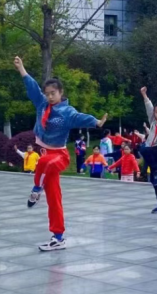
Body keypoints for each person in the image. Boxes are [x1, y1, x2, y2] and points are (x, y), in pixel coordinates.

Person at [15, 56, 107, 251]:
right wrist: (22, 69)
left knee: (45, 162)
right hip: (44, 153)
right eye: (47, 93)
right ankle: (58, 237)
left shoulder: (67, 112)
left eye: (53, 93)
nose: (50, 97)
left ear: (60, 93)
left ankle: (36, 190)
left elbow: (80, 117)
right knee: (54, 199)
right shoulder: (42, 104)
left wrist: (96, 122)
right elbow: (32, 88)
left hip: (59, 155)